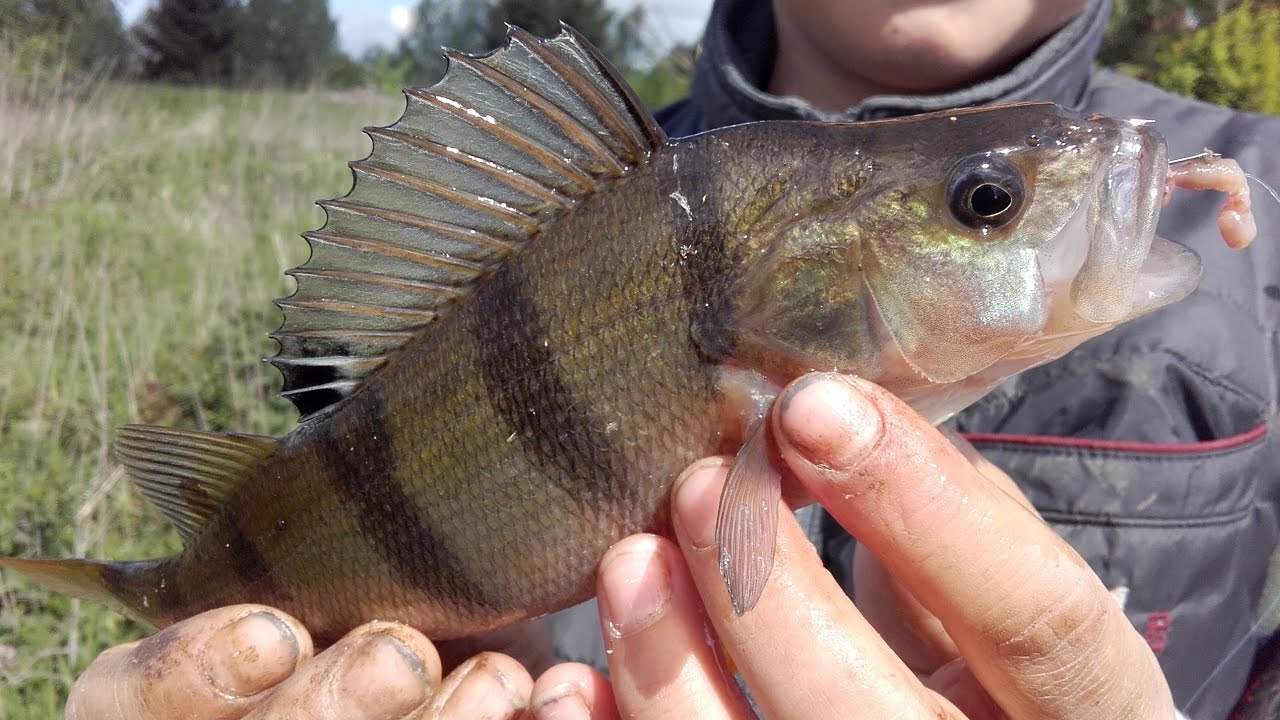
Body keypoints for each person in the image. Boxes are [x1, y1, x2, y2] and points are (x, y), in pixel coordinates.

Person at [62, 0, 1280, 718]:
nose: (1009, 208)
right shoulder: (558, 204)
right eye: (984, 203)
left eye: (979, 201)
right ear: (792, 296)